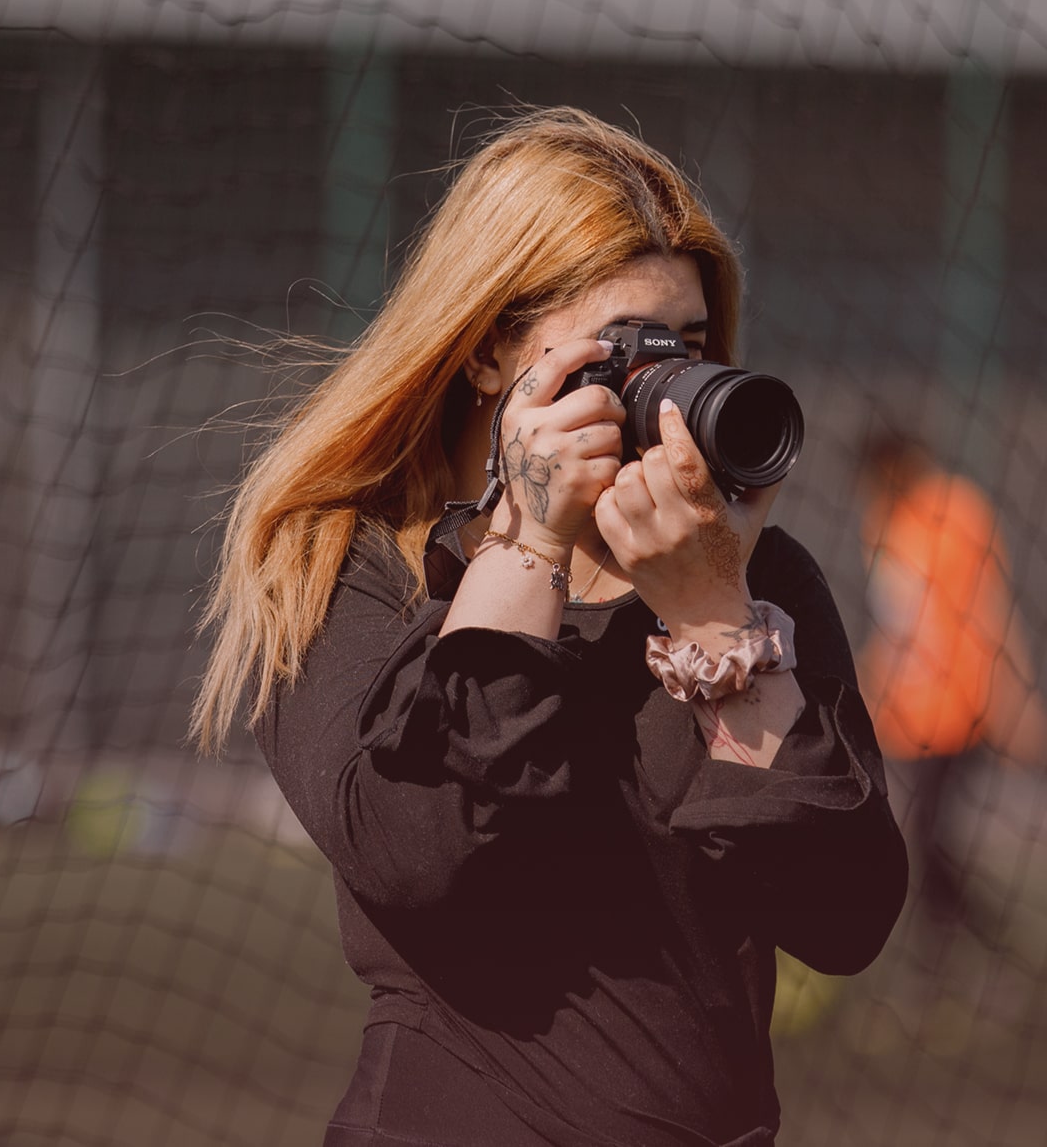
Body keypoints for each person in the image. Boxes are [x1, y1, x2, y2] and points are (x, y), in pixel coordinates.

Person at [192, 107, 907, 1147]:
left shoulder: (754, 582)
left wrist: (711, 615)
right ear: (489, 354)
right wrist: (523, 551)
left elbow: (843, 922)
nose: (661, 391)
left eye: (691, 352)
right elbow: (415, 856)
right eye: (619, 353)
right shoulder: (339, 564)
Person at [856, 429, 1046, 965]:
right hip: (905, 715)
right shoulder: (882, 519)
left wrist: (1014, 698)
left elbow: (991, 607)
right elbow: (894, 624)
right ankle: (955, 939)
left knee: (933, 832)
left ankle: (962, 937)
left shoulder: (956, 510)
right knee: (921, 835)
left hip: (957, 709)